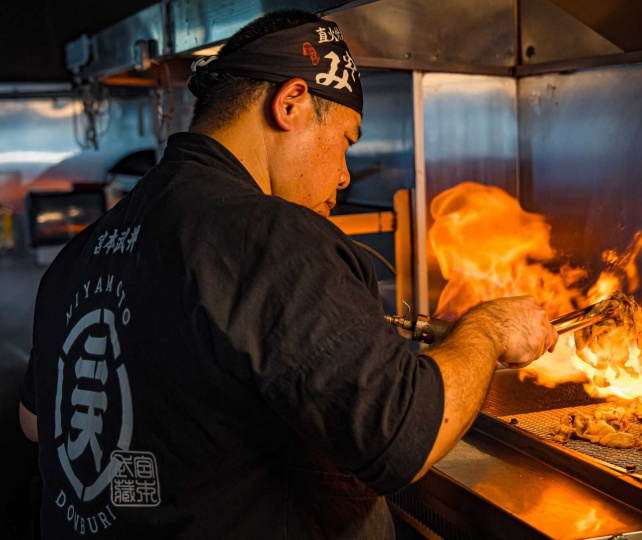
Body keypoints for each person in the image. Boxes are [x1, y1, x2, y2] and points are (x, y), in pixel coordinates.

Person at [19, 9, 558, 539]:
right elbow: (404, 437)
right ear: (291, 103)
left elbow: (38, 422)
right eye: (347, 140)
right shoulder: (271, 233)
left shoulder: (86, 249)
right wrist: (487, 331)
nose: (345, 175)